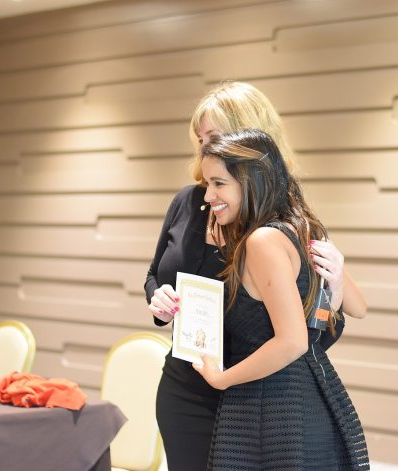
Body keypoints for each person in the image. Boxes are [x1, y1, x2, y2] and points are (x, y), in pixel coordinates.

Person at [144, 81, 367, 470]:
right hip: (186, 382)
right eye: (200, 139)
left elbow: (335, 315)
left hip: (247, 390)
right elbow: (154, 273)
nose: (203, 148)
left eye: (213, 137)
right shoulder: (190, 201)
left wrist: (335, 279)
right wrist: (158, 297)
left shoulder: (273, 221)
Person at [194, 129, 369, 469]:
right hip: (312, 396)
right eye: (207, 184)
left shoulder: (262, 241)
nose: (209, 195)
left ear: (251, 181)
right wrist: (336, 282)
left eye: (219, 183)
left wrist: (220, 378)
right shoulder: (302, 228)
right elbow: (359, 307)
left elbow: (292, 341)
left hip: (272, 411)